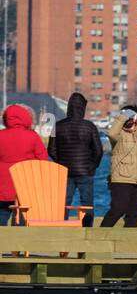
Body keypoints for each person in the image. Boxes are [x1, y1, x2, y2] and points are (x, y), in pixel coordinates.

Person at [47, 91, 103, 226]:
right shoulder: (89, 126)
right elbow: (98, 151)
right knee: (87, 203)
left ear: (69, 107)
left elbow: (51, 150)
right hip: (85, 172)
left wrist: (61, 163)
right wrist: (92, 166)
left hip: (65, 172)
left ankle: (62, 228)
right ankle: (87, 229)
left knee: (64, 203)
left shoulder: (57, 126)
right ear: (82, 108)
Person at [0, 104, 50, 225]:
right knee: (23, 213)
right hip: (25, 182)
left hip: (3, 183)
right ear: (26, 118)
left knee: (2, 212)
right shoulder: (32, 136)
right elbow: (43, 159)